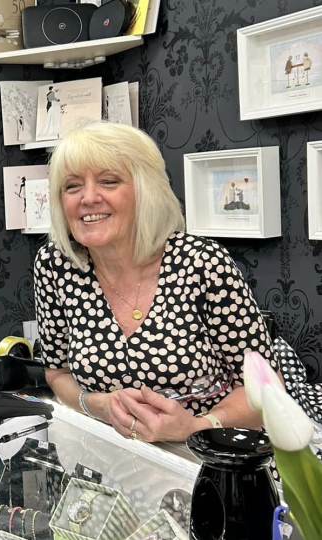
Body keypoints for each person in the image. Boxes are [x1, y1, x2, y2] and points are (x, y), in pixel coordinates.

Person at [34, 122, 281, 444]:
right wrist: (96, 405)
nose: (89, 198)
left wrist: (195, 426)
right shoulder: (56, 265)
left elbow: (266, 388)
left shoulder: (202, 263)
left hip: (210, 460)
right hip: (109, 462)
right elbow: (56, 371)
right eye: (72, 186)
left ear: (146, 190)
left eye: (109, 181)